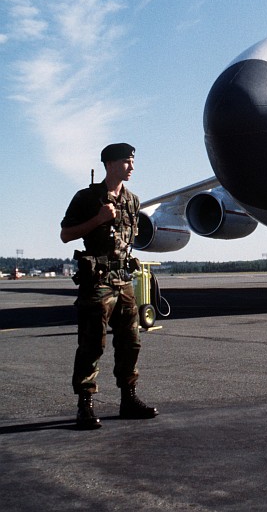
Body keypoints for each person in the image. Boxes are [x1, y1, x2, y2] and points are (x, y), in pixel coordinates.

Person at [61, 143, 158, 429]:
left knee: (131, 342)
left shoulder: (133, 200)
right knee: (92, 344)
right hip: (98, 284)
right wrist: (99, 219)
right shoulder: (87, 198)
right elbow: (66, 234)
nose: (132, 167)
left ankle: (129, 399)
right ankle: (85, 405)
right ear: (111, 164)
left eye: (132, 162)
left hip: (123, 282)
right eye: (127, 162)